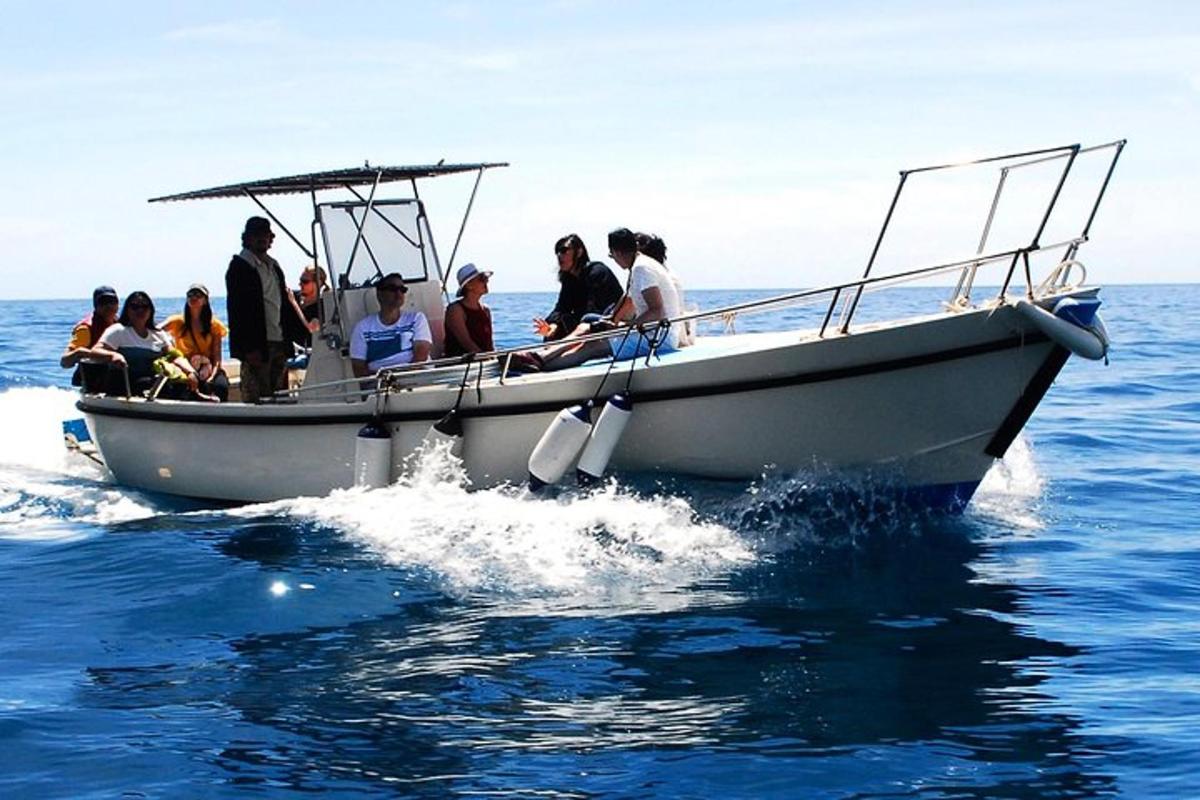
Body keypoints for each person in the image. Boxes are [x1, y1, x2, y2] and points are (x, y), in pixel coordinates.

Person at [515, 228, 682, 372]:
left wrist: (627, 326)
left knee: (591, 346)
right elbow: (628, 299)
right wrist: (611, 321)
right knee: (587, 327)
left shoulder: (641, 269)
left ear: (617, 252)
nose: (614, 260)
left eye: (612, 255)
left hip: (658, 339)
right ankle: (539, 357)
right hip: (650, 333)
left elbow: (657, 310)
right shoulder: (639, 266)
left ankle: (541, 366)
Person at [225, 216, 310, 403]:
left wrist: (299, 336)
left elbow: (283, 305)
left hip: (279, 341)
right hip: (256, 345)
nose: (263, 238)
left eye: (266, 234)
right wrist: (248, 349)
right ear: (247, 238)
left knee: (280, 397)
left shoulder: (274, 267)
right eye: (257, 234)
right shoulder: (239, 267)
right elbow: (237, 313)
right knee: (256, 399)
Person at [96, 291, 203, 397]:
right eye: (135, 306)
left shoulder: (158, 334)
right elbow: (96, 350)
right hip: (126, 384)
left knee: (191, 383)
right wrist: (113, 355)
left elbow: (175, 356)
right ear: (127, 310)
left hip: (155, 383)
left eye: (144, 306)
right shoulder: (118, 330)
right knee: (151, 384)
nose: (140, 310)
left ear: (150, 310)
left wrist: (190, 372)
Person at [532, 233, 624, 341]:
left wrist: (563, 322)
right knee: (552, 334)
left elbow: (594, 308)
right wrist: (552, 325)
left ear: (579, 252)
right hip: (586, 324)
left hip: (609, 323)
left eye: (563, 250)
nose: (559, 255)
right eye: (557, 252)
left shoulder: (597, 272)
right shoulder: (569, 280)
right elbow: (562, 307)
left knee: (583, 319)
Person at [349, 273, 432, 377]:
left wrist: (403, 379)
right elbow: (358, 368)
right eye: (392, 289)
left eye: (402, 289)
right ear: (379, 294)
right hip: (381, 385)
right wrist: (386, 382)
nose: (398, 293)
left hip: (417, 379)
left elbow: (421, 356)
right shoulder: (362, 328)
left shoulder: (417, 319)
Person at [161, 283, 231, 401]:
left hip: (207, 367)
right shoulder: (177, 321)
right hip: (185, 367)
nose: (193, 298)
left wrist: (212, 377)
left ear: (205, 300)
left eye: (198, 295)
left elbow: (217, 358)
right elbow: (155, 331)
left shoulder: (214, 325)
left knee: (220, 387)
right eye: (190, 295)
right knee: (179, 387)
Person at [61, 285, 126, 389]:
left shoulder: (120, 324)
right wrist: (82, 352)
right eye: (103, 302)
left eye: (112, 301)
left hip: (119, 374)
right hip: (94, 378)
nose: (109, 306)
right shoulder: (86, 329)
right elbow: (64, 362)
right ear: (96, 305)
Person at [443, 263, 495, 358]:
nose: (486, 281)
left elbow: (490, 344)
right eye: (482, 279)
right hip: (463, 366)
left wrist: (494, 358)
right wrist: (488, 360)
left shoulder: (486, 310)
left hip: (484, 363)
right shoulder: (455, 310)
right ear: (469, 285)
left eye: (486, 278)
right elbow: (467, 343)